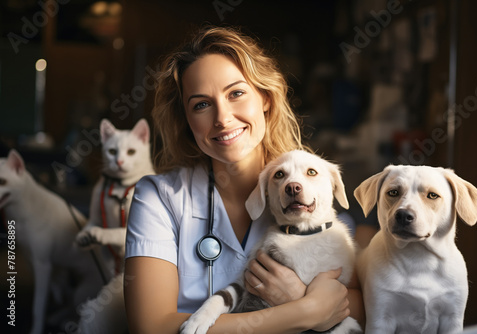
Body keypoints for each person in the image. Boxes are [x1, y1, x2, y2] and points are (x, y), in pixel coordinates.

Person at [123, 26, 364, 334]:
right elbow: (151, 327)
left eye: (236, 93)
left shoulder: (305, 188)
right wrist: (302, 310)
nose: (222, 118)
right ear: (186, 120)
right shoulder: (158, 198)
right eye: (201, 104)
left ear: (265, 97)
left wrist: (297, 297)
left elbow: (368, 306)